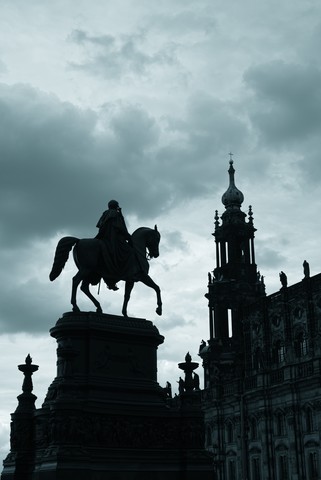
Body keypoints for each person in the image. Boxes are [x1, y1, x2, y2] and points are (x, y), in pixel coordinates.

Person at [96, 200, 133, 290]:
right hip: (114, 239)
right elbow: (121, 227)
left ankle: (110, 281)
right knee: (128, 251)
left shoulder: (105, 213)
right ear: (116, 206)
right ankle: (123, 272)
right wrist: (128, 237)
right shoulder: (116, 214)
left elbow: (100, 225)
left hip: (104, 237)